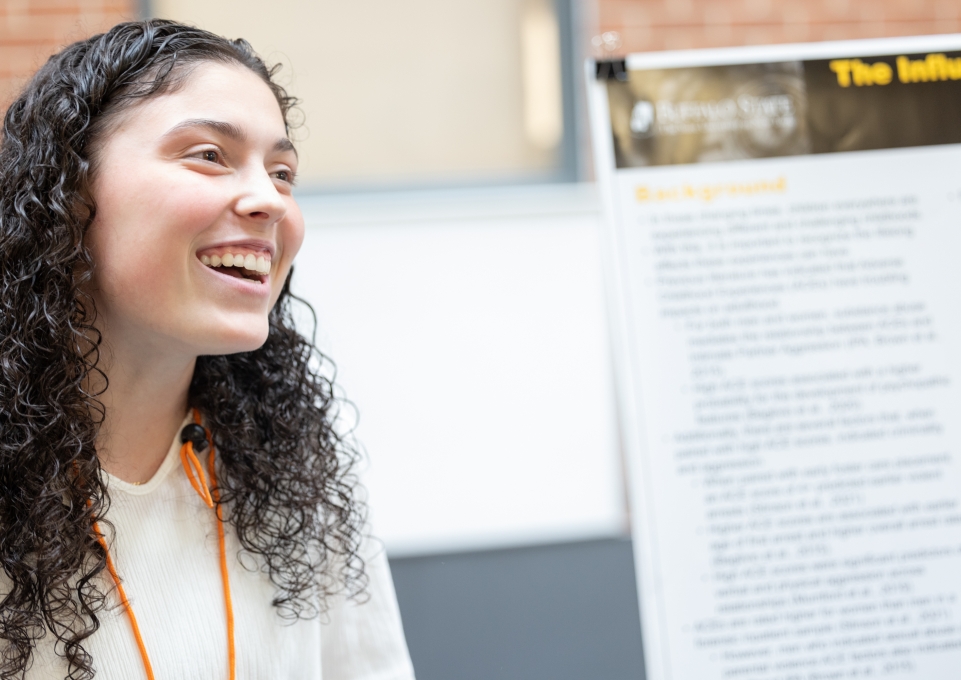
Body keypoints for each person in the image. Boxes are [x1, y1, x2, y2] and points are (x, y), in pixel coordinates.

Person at [0, 19, 415, 680]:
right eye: (209, 155)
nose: (268, 201)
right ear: (68, 195)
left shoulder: (296, 479)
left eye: (282, 173)